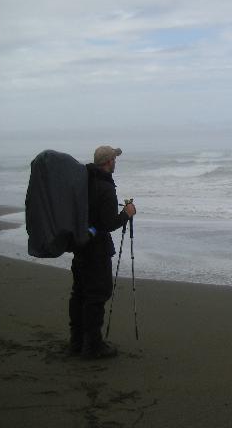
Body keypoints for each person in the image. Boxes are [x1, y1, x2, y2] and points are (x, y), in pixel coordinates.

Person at [68, 145, 137, 359]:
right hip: (96, 250)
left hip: (80, 245)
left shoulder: (84, 180)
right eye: (114, 159)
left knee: (79, 294)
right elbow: (107, 224)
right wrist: (127, 213)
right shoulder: (106, 187)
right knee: (97, 295)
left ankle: (77, 342)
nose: (116, 162)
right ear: (108, 162)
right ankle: (93, 346)